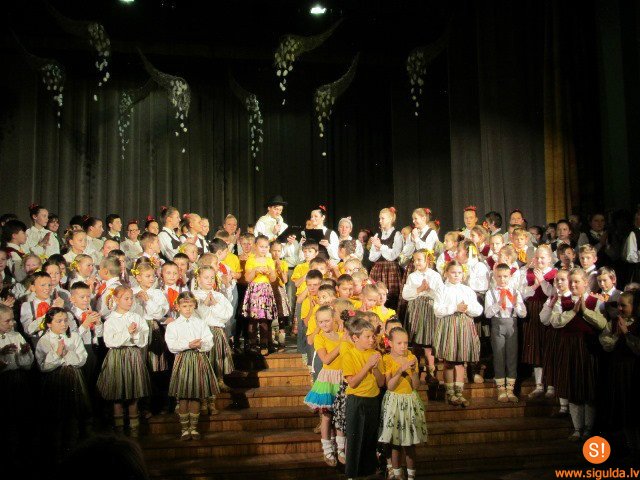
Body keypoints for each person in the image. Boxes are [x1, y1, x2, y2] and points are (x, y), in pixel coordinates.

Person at [550, 268, 607, 441]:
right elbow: (555, 322)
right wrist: (573, 312)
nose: (573, 285)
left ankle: (588, 429)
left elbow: (602, 323)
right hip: (569, 348)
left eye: (576, 282)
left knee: (588, 391)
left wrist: (585, 311)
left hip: (588, 348)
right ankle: (577, 428)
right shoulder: (563, 301)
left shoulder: (595, 301)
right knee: (573, 389)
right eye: (571, 282)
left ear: (585, 283)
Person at [97, 285, 151, 436]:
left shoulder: (137, 317)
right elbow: (110, 341)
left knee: (133, 393)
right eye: (126, 299)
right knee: (117, 395)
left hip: (133, 355)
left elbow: (143, 339)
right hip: (117, 356)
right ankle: (119, 430)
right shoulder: (111, 320)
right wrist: (127, 333)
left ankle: (134, 430)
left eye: (131, 298)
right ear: (116, 299)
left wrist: (135, 334)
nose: (129, 302)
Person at [35, 307, 90, 445]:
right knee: (57, 413)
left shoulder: (74, 337)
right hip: (55, 379)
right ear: (49, 324)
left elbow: (82, 358)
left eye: (65, 320)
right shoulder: (44, 340)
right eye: (59, 321)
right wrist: (57, 354)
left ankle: (76, 442)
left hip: (74, 377)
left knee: (75, 412)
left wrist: (68, 354)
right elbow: (42, 366)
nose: (64, 324)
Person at [378, 327, 427, 480]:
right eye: (399, 343)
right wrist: (400, 370)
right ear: (390, 343)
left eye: (405, 343)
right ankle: (397, 475)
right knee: (396, 442)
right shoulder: (386, 359)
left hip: (409, 401)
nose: (403, 346)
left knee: (410, 443)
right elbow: (390, 386)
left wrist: (412, 372)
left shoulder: (412, 358)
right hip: (394, 401)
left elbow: (416, 385)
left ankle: (411, 476)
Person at [165, 291, 216, 440]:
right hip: (182, 361)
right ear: (178, 307)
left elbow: (209, 341)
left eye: (190, 306)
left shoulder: (200, 323)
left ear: (194, 306)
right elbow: (172, 345)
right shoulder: (173, 326)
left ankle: (193, 428)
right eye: (184, 306)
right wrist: (188, 344)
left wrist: (201, 344)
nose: (187, 309)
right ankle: (184, 429)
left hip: (198, 359)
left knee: (195, 396)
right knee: (183, 396)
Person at [433, 261, 483, 407]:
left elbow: (478, 310)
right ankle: (450, 393)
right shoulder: (442, 289)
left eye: (459, 273)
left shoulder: (467, 290)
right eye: (453, 272)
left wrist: (468, 309)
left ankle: (459, 393)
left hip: (464, 325)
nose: (456, 275)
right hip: (448, 325)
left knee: (461, 362)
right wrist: (455, 307)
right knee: (449, 361)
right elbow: (437, 310)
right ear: (446, 273)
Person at [342, 316, 385, 479]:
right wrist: (368, 365)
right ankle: (352, 473)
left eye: (373, 336)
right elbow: (352, 382)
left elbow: (381, 382)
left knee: (370, 437)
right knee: (355, 437)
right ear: (355, 338)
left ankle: (368, 471)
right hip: (357, 400)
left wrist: (375, 368)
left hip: (373, 400)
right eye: (367, 337)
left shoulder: (376, 354)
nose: (372, 339)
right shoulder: (349, 355)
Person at [599, 290, 640, 459]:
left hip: (634, 372)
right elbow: (605, 342)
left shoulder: (638, 323)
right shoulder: (614, 322)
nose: (620, 309)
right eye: (618, 305)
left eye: (624, 305)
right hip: (619, 371)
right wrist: (616, 335)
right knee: (623, 409)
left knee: (634, 408)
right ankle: (631, 447)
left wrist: (627, 334)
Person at [303, 305, 344, 466]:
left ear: (333, 320)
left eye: (327, 320)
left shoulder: (341, 335)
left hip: (342, 377)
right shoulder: (320, 338)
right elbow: (326, 359)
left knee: (340, 415)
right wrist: (341, 346)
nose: (324, 324)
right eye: (321, 322)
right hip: (328, 380)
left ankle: (341, 448)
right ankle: (327, 449)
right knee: (327, 416)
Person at [485, 263, 526, 402]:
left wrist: (516, 305)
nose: (502, 279)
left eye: (505, 276)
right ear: (494, 277)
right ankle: (501, 390)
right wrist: (499, 303)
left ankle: (510, 389)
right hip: (497, 326)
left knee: (512, 357)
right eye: (499, 276)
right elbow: (488, 314)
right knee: (499, 356)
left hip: (512, 326)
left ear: (510, 277)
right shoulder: (490, 293)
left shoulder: (515, 292)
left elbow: (523, 314)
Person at [519, 245, 557, 398]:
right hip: (533, 311)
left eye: (543, 258)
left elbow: (553, 293)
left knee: (548, 347)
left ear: (549, 259)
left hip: (548, 309)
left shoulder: (554, 274)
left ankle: (551, 385)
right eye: (537, 257)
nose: (540, 260)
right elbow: (523, 294)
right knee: (535, 347)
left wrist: (542, 281)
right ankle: (539, 385)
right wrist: (534, 284)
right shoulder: (528, 273)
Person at [401, 249, 443, 385]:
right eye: (415, 260)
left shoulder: (435, 275)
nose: (416, 263)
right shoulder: (412, 276)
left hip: (429, 309)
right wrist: (419, 289)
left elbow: (441, 293)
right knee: (416, 341)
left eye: (419, 260)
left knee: (428, 342)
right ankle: (415, 372)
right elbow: (405, 294)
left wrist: (429, 290)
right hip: (416, 309)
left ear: (427, 260)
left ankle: (431, 372)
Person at [192, 265, 234, 396]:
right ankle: (205, 384)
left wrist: (215, 304)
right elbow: (195, 315)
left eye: (212, 277)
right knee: (205, 358)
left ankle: (220, 380)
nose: (210, 280)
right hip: (202, 332)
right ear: (198, 279)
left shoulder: (219, 296)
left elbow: (227, 315)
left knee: (218, 356)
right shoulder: (194, 296)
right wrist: (204, 304)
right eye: (206, 277)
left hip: (216, 330)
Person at [242, 235, 278, 355]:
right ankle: (252, 344)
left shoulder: (269, 260)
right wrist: (255, 270)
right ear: (255, 246)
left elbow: (273, 279)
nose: (264, 249)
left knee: (264, 318)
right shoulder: (251, 260)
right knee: (253, 319)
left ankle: (264, 344)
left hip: (265, 291)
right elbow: (247, 278)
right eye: (261, 246)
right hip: (254, 291)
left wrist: (270, 271)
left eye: (266, 247)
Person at [369, 207, 403, 309]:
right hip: (377, 269)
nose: (380, 221)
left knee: (391, 296)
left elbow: (393, 255)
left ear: (391, 219)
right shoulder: (378, 235)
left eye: (382, 218)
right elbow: (372, 257)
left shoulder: (397, 234)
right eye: (379, 218)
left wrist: (380, 246)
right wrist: (378, 248)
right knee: (375, 295)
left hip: (390, 269)